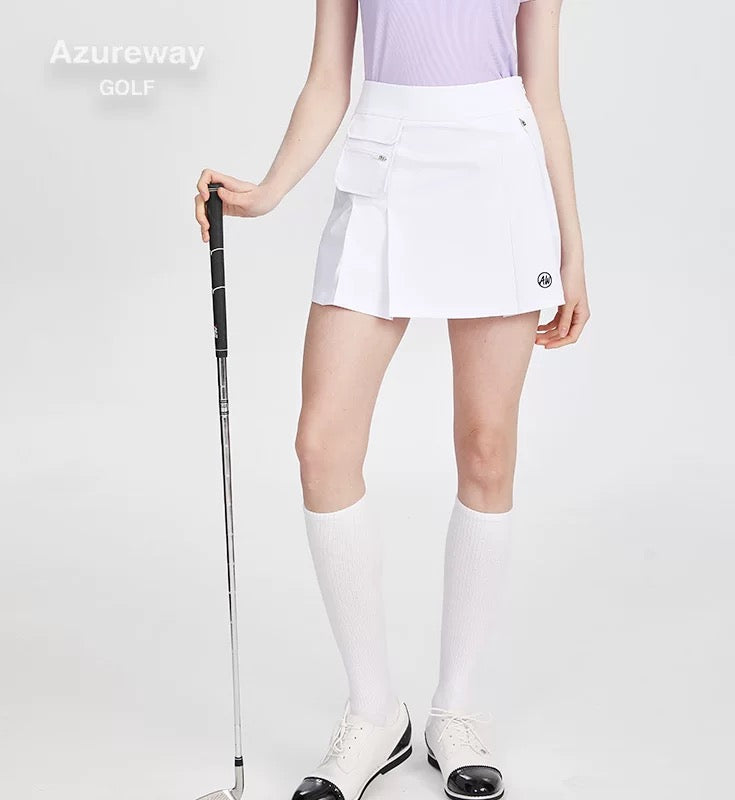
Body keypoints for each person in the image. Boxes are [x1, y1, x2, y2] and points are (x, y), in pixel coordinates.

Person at [195, 1, 589, 798]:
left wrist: (572, 251)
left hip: (498, 172)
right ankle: (375, 711)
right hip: (384, 163)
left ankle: (456, 709)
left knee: (487, 449)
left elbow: (543, 94)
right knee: (321, 447)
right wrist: (268, 192)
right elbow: (328, 80)